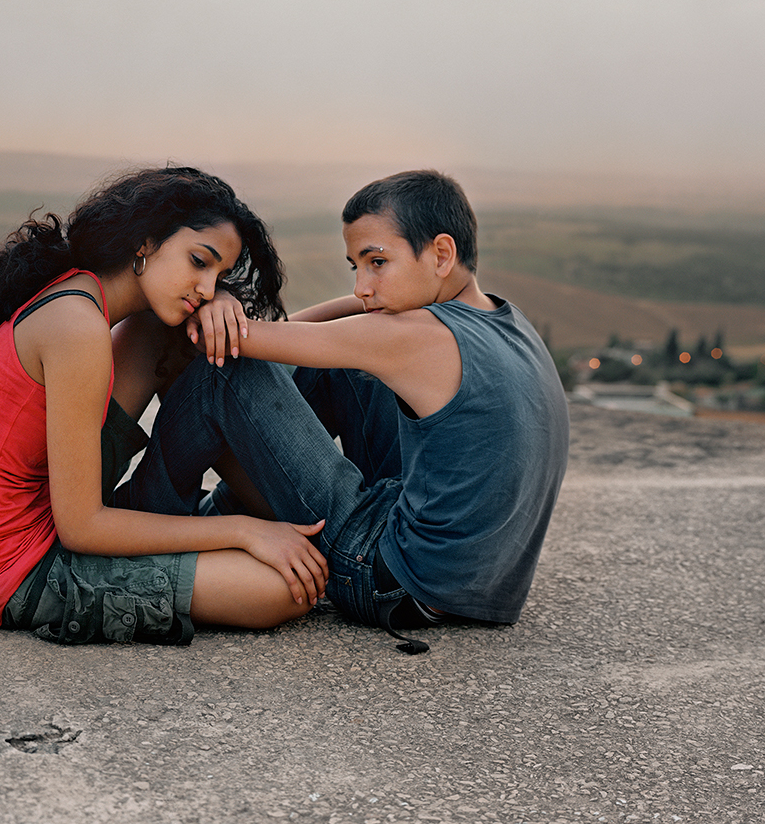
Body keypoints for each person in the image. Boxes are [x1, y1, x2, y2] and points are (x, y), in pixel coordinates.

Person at [117, 169, 570, 653]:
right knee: (344, 370)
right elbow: (326, 329)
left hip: (386, 576)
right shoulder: (503, 318)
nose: (361, 286)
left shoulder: (416, 337)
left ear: (441, 254)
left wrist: (217, 302)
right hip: (470, 582)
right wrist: (246, 316)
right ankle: (229, 516)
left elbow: (227, 345)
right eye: (356, 265)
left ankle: (142, 526)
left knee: (223, 373)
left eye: (377, 262)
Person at [0, 166, 328, 646]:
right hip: (6, 569)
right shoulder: (76, 326)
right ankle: (261, 523)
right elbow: (82, 529)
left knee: (171, 330)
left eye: (219, 275)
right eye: (199, 261)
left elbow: (211, 329)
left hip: (46, 509)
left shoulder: (82, 294)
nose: (207, 286)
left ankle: (271, 517)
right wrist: (241, 533)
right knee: (283, 591)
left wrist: (225, 305)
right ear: (144, 243)